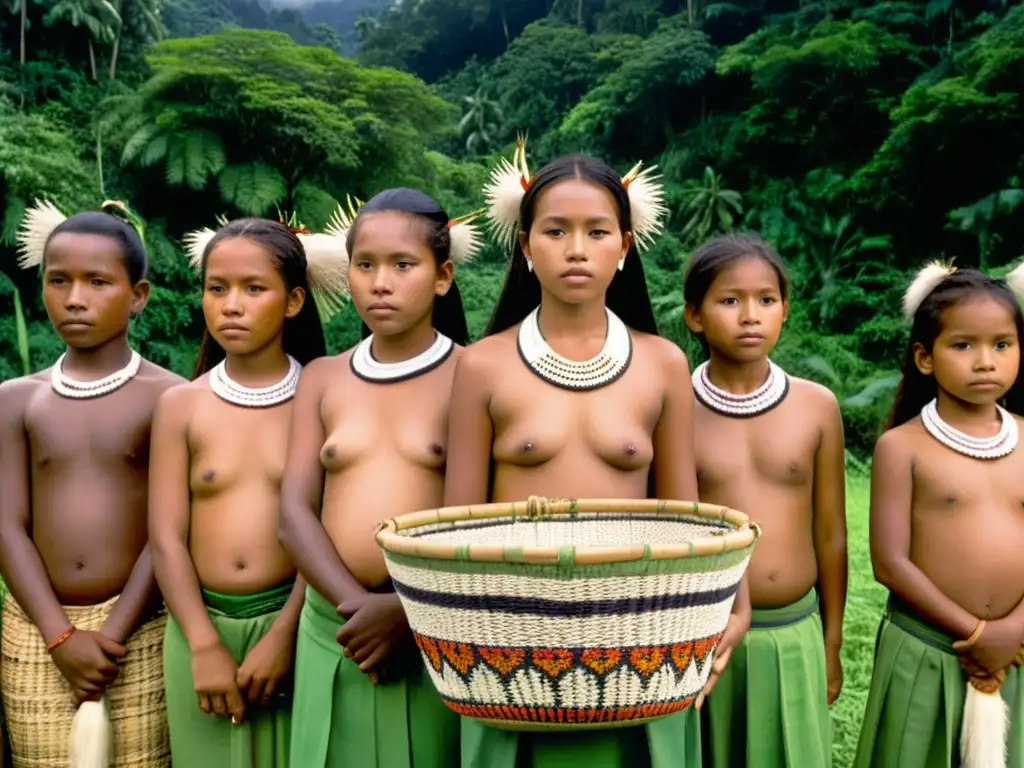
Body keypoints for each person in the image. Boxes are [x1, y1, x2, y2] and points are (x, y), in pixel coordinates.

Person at [442, 140, 751, 767]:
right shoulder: (483, 365)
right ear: (526, 246)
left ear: (626, 245)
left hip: (640, 645)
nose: (577, 248)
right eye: (556, 231)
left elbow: (686, 514)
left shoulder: (663, 364)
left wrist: (734, 605)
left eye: (597, 231)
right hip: (513, 651)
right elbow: (457, 526)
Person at [278, 187, 480, 767]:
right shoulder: (322, 377)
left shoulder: (473, 373)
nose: (380, 283)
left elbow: (474, 516)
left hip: (435, 627)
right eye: (364, 266)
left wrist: (405, 611)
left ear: (442, 277)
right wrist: (355, 610)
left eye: (402, 265)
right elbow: (294, 512)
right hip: (334, 628)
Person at [149, 217, 348, 766]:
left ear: (292, 301)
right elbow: (166, 538)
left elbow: (326, 525)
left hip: (299, 626)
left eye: (253, 289)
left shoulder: (322, 396)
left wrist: (285, 634)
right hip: (197, 629)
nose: (230, 305)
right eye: (217, 289)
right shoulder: (180, 406)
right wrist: (204, 644)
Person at [0, 200, 184, 766]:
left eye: (97, 281)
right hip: (35, 632)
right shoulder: (15, 400)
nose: (74, 298)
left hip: (141, 631)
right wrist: (60, 638)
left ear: (138, 295)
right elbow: (6, 524)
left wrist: (110, 637)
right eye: (59, 281)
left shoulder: (172, 398)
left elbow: (169, 530)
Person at [682, 233, 846, 767]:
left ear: (784, 310)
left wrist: (832, 643)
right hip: (704, 637)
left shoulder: (816, 406)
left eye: (766, 300)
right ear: (695, 316)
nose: (750, 315)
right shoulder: (673, 408)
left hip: (796, 633)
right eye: (730, 301)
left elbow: (831, 533)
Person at [854, 262, 1024, 768]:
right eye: (963, 345)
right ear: (925, 358)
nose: (985, 361)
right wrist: (977, 635)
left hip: (1017, 652)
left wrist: (1011, 631)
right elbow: (890, 562)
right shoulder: (901, 447)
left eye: (1001, 345)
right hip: (925, 649)